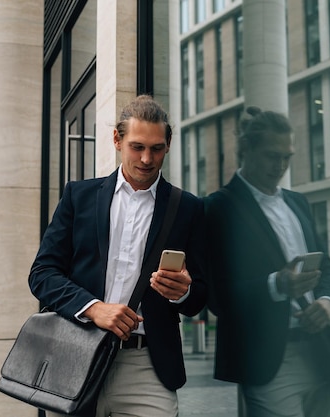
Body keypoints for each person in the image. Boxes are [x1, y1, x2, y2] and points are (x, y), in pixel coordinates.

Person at [29, 94, 207, 417]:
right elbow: (42, 274)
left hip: (147, 365)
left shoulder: (189, 208)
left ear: (168, 145)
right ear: (117, 139)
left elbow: (201, 294)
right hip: (75, 352)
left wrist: (185, 292)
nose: (146, 159)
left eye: (156, 148)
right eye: (137, 147)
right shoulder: (78, 197)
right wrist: (94, 309)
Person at [204, 107, 330, 417]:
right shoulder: (219, 207)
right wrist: (277, 284)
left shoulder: (298, 202)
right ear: (246, 150)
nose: (280, 165)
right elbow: (216, 295)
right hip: (266, 359)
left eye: (287, 157)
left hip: (319, 351)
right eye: (271, 155)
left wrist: (327, 304)